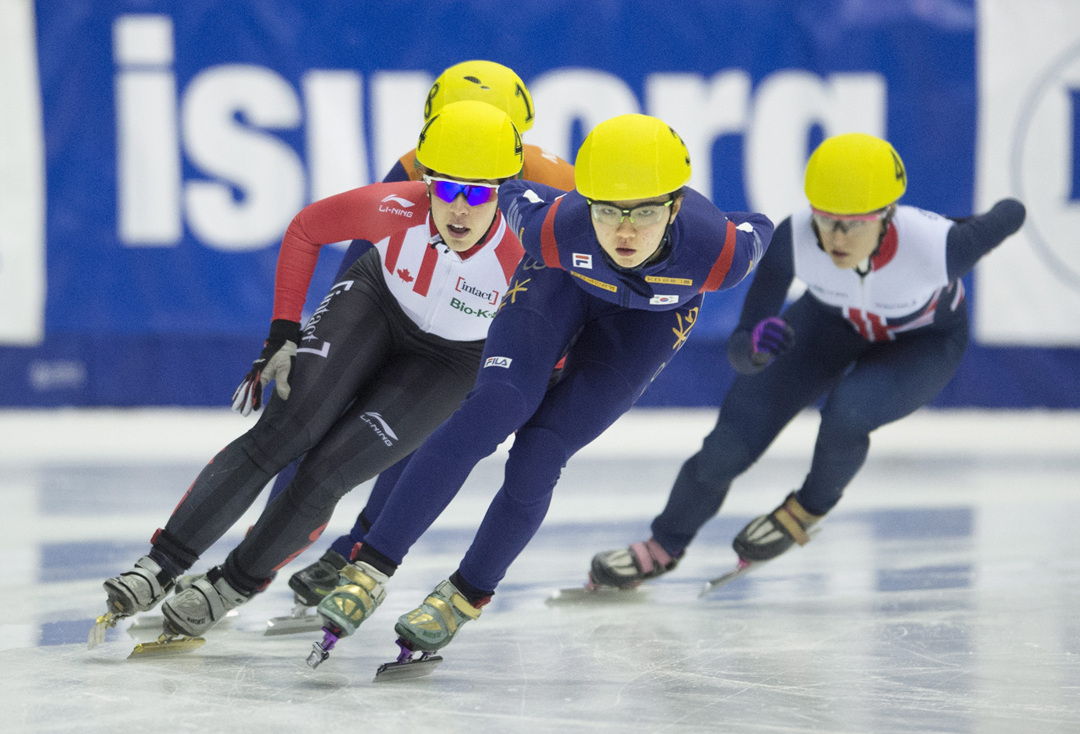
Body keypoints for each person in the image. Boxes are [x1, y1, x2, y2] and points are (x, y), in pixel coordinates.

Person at [312, 113, 774, 658]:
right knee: (492, 408)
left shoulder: (721, 253)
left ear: (674, 207)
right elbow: (507, 190)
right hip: (557, 285)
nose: (625, 232)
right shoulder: (553, 227)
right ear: (588, 202)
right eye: (608, 211)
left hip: (643, 327)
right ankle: (371, 565)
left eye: (644, 213)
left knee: (540, 452)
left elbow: (761, 225)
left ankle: (466, 594)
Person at [91, 100, 530, 644]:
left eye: (478, 193)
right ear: (426, 181)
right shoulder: (396, 205)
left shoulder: (524, 248)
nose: (459, 210)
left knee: (329, 472)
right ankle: (162, 564)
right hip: (376, 303)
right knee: (283, 431)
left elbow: (557, 340)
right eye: (446, 190)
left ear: (505, 188)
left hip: (452, 358)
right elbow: (305, 229)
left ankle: (232, 586)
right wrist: (283, 332)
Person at [586, 132, 1027, 590]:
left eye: (851, 224)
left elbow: (1011, 212)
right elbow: (741, 349)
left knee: (848, 412)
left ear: (886, 216)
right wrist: (755, 348)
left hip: (922, 341)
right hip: (829, 323)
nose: (835, 238)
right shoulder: (795, 237)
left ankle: (807, 507)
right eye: (825, 219)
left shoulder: (939, 247)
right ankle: (662, 545)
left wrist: (959, 227)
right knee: (725, 447)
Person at [266, 60, 575, 610]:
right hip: (406, 306)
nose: (466, 159)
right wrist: (322, 339)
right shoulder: (413, 167)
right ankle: (265, 549)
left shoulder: (556, 179)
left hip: (490, 325)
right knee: (322, 405)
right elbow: (358, 264)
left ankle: (354, 545)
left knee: (426, 423)